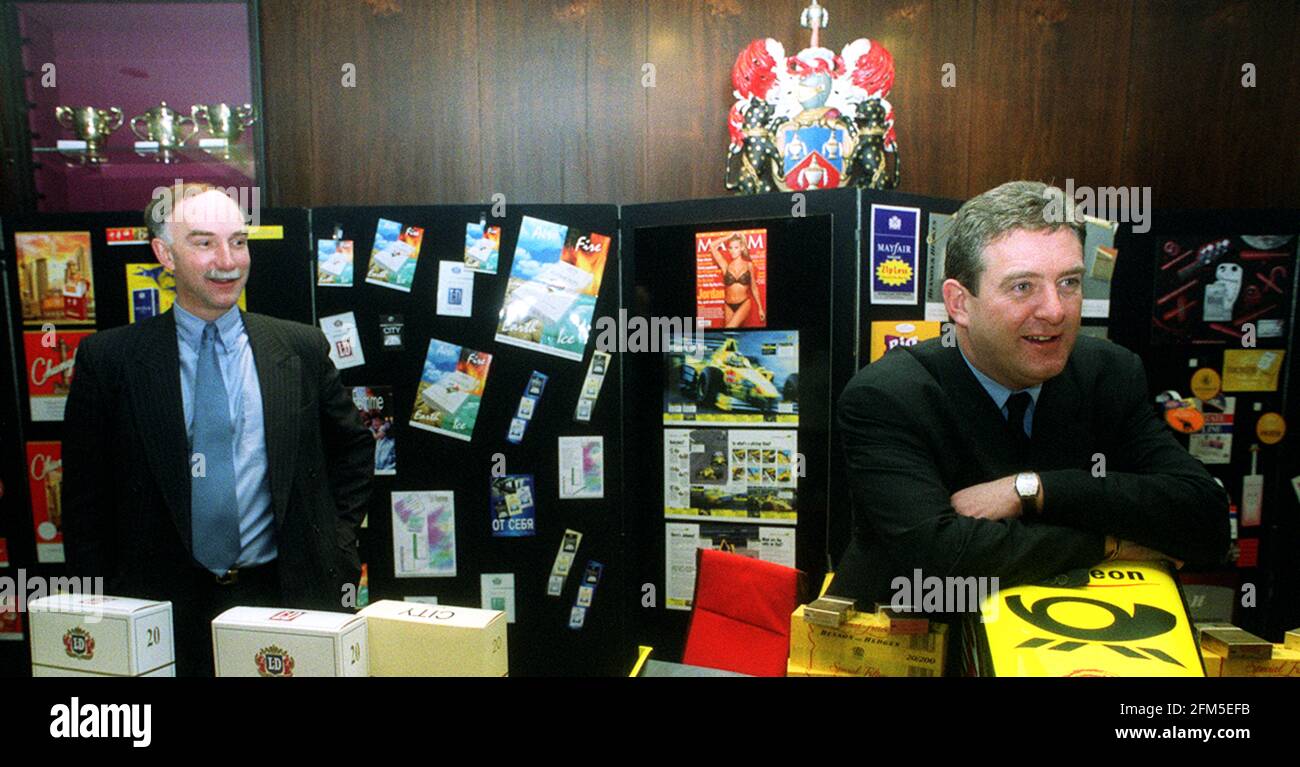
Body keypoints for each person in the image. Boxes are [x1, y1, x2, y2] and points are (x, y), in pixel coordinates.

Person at [829, 180, 1229, 612]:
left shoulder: (1109, 372)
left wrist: (1036, 490)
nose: (1055, 310)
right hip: (908, 646)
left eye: (1070, 283)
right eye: (1023, 287)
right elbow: (940, 558)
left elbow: (1204, 521)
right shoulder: (888, 396)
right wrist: (1108, 542)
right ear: (959, 303)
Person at [62, 183, 373, 676]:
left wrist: (336, 544)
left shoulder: (300, 348)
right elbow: (84, 497)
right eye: (204, 242)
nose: (228, 260)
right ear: (165, 253)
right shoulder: (111, 361)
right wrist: (99, 603)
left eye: (239, 241)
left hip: (287, 596)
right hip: (159, 608)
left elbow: (353, 449)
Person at [710, 233, 767, 328]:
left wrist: (760, 308)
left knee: (729, 328)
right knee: (729, 334)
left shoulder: (749, 265)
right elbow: (712, 246)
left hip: (744, 303)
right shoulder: (725, 266)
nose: (732, 251)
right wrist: (728, 236)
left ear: (742, 248)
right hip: (728, 305)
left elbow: (754, 287)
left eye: (736, 247)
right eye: (730, 248)